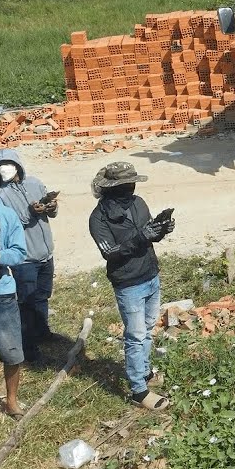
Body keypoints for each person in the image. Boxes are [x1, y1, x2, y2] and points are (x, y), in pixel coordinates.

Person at [88, 162, 175, 410]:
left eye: (132, 183)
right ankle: (138, 391)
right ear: (111, 188)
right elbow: (111, 253)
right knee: (135, 336)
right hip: (129, 283)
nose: (131, 188)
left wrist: (161, 230)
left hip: (150, 273)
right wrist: (142, 236)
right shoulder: (98, 218)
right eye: (125, 185)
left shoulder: (138, 203)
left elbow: (149, 234)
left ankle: (145, 372)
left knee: (147, 329)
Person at [0, 150, 57, 365]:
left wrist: (50, 207)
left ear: (18, 164)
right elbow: (11, 224)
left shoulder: (34, 182)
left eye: (8, 163)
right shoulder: (0, 196)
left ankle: (42, 332)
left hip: (45, 252)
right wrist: (32, 212)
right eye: (0, 164)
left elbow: (52, 213)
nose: (4, 168)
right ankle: (29, 349)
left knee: (42, 296)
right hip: (24, 259)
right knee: (26, 303)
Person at [0, 200, 28, 418]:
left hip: (1, 293)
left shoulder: (7, 215)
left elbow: (19, 253)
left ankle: (12, 401)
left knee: (11, 350)